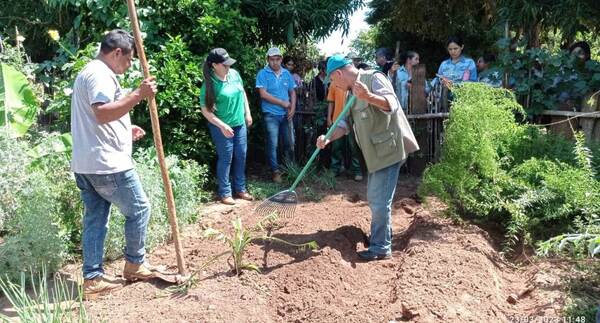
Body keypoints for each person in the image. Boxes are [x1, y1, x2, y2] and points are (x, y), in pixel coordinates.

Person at [70, 29, 159, 299]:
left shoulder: (89, 71)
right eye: (129, 59)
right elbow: (101, 112)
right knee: (139, 208)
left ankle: (93, 279)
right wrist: (138, 95)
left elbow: (99, 116)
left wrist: (124, 128)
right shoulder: (100, 74)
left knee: (96, 220)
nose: (130, 65)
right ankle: (134, 264)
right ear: (117, 52)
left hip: (87, 163)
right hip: (107, 164)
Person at [316, 54, 419, 261]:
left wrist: (368, 96)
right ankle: (383, 237)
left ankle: (381, 248)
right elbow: (343, 125)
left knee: (379, 201)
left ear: (338, 73)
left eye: (333, 80)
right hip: (374, 155)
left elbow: (392, 104)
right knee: (376, 198)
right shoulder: (347, 94)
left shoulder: (373, 78)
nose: (334, 84)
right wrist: (327, 138)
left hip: (389, 150)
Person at [200, 48, 253, 205]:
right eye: (224, 65)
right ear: (214, 65)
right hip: (220, 127)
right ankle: (225, 192)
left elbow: (242, 93)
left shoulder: (235, 75)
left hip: (239, 124)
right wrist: (222, 126)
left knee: (241, 155)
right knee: (226, 158)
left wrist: (247, 113)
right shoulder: (209, 84)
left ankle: (240, 189)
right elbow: (206, 111)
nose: (228, 67)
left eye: (229, 64)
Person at [256, 47, 297, 183]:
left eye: (277, 59)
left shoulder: (286, 74)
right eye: (272, 59)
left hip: (286, 114)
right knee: (273, 144)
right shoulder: (262, 73)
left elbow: (292, 92)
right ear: (268, 60)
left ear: (281, 59)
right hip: (271, 114)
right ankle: (275, 171)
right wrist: (282, 103)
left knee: (288, 143)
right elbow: (263, 94)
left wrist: (293, 107)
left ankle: (288, 169)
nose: (275, 62)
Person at [326, 81, 363, 181]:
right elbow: (331, 101)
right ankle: (335, 169)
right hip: (338, 118)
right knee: (336, 146)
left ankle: (357, 170)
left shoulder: (354, 82)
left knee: (354, 145)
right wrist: (329, 117)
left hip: (352, 119)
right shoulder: (334, 83)